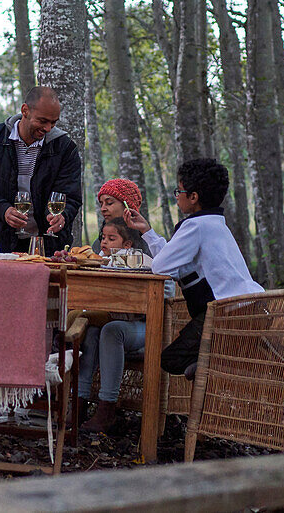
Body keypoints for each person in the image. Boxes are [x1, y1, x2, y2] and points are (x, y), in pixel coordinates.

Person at [123, 158, 263, 380]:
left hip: (224, 313)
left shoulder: (195, 226)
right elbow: (175, 264)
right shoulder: (214, 223)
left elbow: (160, 267)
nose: (176, 196)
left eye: (178, 191)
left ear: (193, 197)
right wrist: (147, 231)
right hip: (250, 308)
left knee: (172, 360)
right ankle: (212, 364)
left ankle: (214, 368)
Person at [0, 86, 83, 253]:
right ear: (25, 110)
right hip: (9, 242)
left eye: (53, 122)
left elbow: (70, 196)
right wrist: (3, 210)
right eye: (43, 121)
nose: (48, 128)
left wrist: (62, 216)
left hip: (53, 246)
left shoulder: (65, 148)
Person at [77, 217, 166, 433]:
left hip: (149, 326)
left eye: (111, 238)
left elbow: (164, 294)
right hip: (119, 323)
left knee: (111, 330)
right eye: (103, 238)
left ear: (127, 245)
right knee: (90, 330)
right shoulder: (101, 264)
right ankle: (78, 403)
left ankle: (107, 409)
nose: (104, 242)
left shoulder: (142, 260)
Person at [91, 178, 150, 255]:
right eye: (101, 204)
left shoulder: (150, 243)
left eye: (109, 203)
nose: (102, 209)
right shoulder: (99, 244)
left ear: (128, 207)